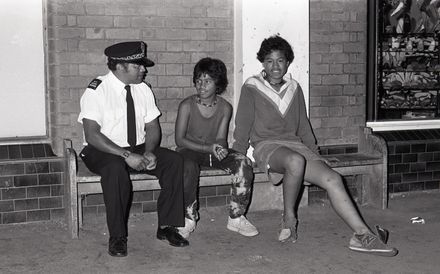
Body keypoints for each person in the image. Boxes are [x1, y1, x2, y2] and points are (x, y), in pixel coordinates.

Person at [232, 35, 398, 257]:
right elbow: (242, 127)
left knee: (333, 179)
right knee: (294, 160)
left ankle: (362, 235)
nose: (275, 66)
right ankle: (289, 219)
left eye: (280, 60)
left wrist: (317, 157)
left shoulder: (294, 87)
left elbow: (303, 127)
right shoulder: (252, 87)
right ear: (262, 62)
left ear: (287, 62)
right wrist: (238, 158)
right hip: (267, 147)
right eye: (269, 61)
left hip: (296, 147)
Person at [78, 41, 194, 257]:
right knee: (114, 169)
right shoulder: (97, 89)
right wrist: (125, 155)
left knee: (173, 161)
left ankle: (167, 226)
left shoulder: (143, 89)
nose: (144, 69)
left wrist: (149, 151)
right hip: (101, 149)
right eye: (138, 65)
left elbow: (152, 126)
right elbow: (92, 134)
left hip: (136, 146)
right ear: (120, 66)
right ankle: (117, 236)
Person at [175, 57, 258, 238]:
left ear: (218, 84)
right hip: (189, 150)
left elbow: (221, 138)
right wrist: (209, 148)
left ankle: (236, 217)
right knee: (187, 166)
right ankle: (188, 217)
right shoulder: (187, 106)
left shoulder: (225, 107)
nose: (201, 85)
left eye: (207, 81)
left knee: (243, 162)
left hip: (211, 151)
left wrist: (220, 148)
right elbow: (180, 140)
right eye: (198, 80)